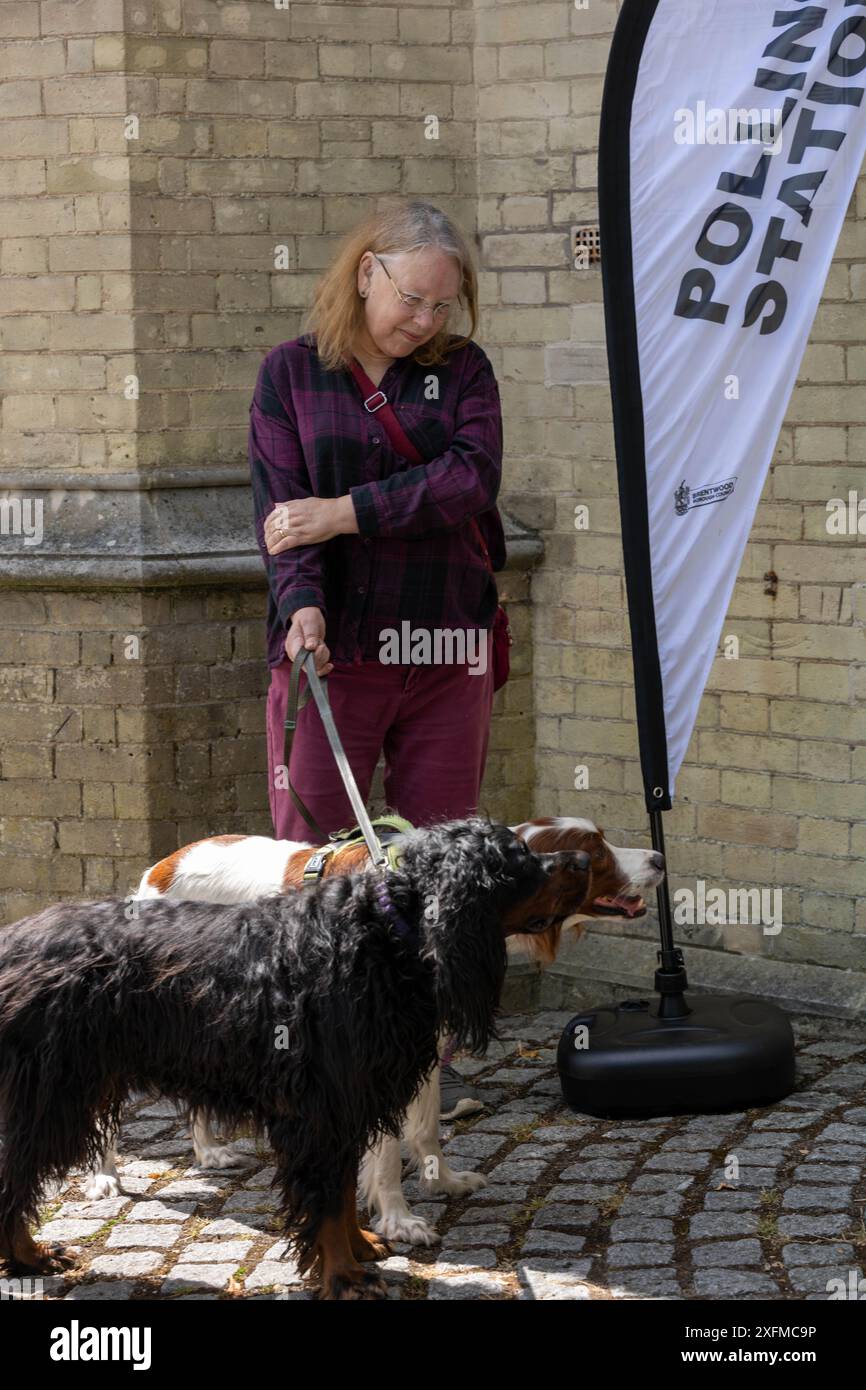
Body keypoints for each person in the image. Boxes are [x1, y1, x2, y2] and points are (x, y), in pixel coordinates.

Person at [248, 198, 506, 1119]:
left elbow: (470, 479)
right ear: (366, 273)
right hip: (337, 655)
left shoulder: (463, 373)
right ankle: (304, 1066)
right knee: (312, 861)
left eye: (445, 305)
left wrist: (346, 510)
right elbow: (282, 514)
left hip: (445, 650)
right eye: (413, 299)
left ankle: (417, 1081)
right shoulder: (291, 375)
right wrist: (303, 604)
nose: (427, 321)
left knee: (443, 869)